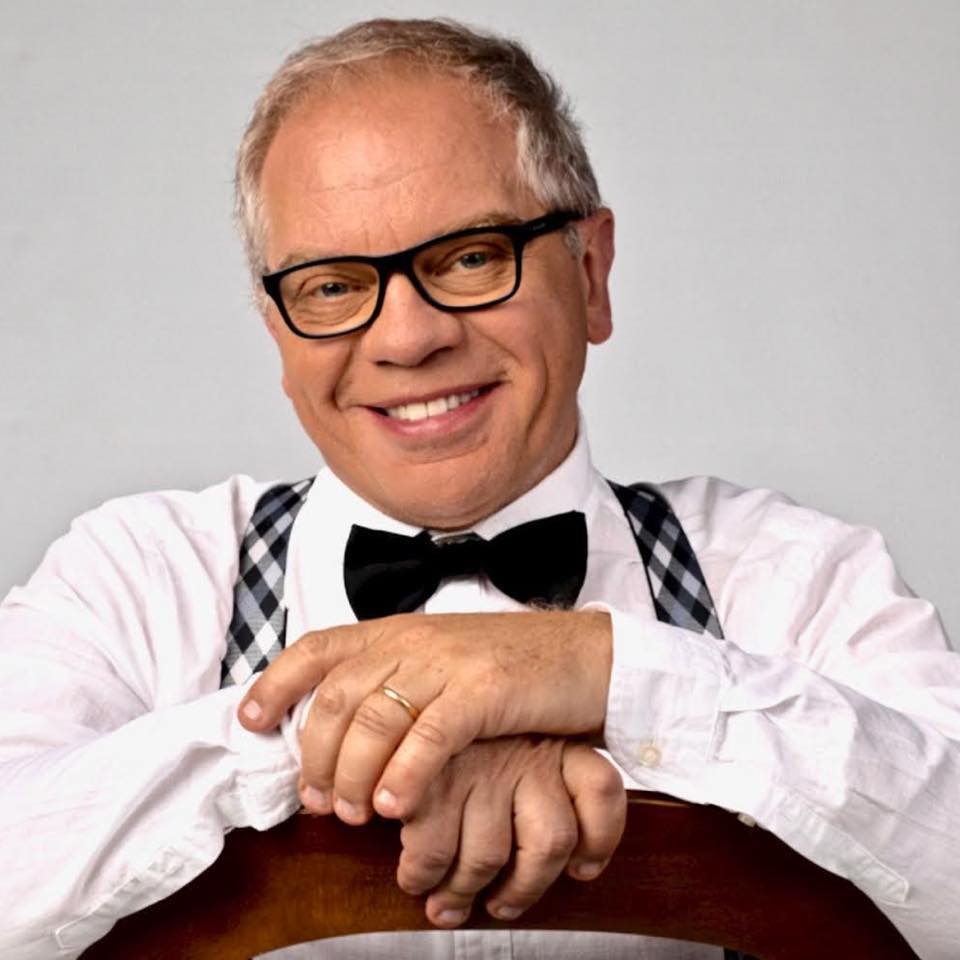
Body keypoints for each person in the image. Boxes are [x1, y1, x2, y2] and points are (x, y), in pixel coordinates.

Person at [1, 16, 958, 960]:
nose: (408, 337)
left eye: (470, 258)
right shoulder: (140, 577)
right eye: (333, 285)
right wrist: (388, 727)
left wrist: (611, 673)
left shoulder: (795, 576)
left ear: (591, 274)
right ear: (276, 328)